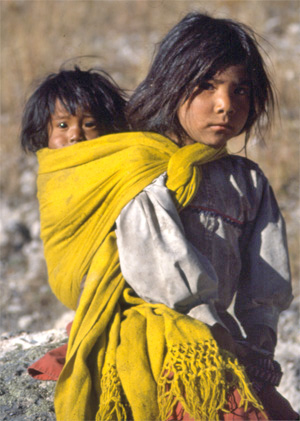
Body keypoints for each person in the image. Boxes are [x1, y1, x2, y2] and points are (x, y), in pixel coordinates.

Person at [30, 14, 298, 421]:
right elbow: (163, 273)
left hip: (224, 339)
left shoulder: (250, 183)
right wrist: (218, 334)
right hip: (161, 331)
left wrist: (258, 343)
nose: (225, 104)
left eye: (239, 89)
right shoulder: (144, 165)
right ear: (173, 84)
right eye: (206, 86)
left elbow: (266, 278)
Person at [20, 66, 128, 152]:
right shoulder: (48, 177)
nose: (76, 135)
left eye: (89, 124)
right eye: (63, 125)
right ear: (43, 133)